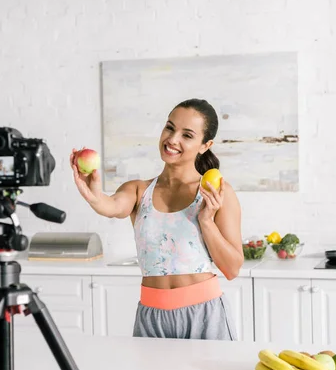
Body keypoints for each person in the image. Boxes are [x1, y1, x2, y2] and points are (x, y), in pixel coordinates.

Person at [70, 98, 244, 340]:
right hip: (151, 316)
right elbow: (111, 206)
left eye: (187, 135)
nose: (173, 139)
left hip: (204, 314)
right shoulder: (139, 190)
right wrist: (94, 194)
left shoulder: (215, 193)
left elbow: (232, 268)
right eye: (170, 128)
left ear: (205, 145)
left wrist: (206, 221)